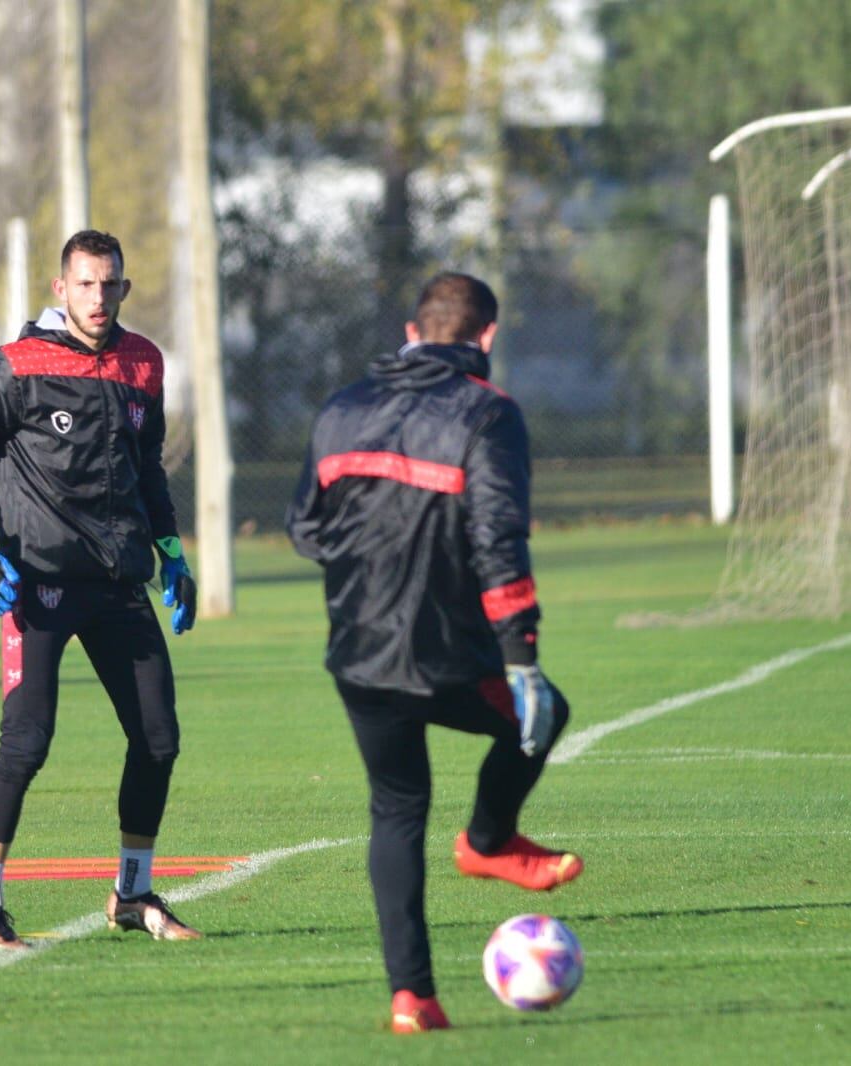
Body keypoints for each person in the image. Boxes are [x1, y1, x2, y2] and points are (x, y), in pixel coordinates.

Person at [286, 272, 581, 1033]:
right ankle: (486, 841)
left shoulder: (342, 406)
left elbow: (305, 529)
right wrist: (520, 657)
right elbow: (497, 542)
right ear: (485, 338)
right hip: (446, 657)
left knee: (396, 811)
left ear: (413, 334)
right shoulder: (489, 414)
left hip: (355, 654)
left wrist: (371, 562)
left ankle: (410, 997)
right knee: (542, 717)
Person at [0, 229, 200, 949]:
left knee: (158, 739)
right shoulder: (18, 365)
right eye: (85, 284)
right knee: (26, 743)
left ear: (123, 287)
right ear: (61, 288)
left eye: (110, 284)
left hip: (119, 582)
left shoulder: (142, 362)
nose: (98, 297)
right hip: (39, 585)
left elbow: (149, 471)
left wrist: (172, 552)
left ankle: (132, 891)